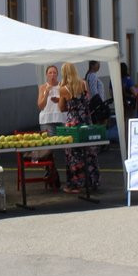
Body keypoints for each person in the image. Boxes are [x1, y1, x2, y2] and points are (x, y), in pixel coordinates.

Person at [58, 62, 100, 194]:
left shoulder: (63, 88)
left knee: (73, 155)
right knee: (89, 152)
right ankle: (92, 181)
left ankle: (75, 184)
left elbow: (62, 107)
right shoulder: (83, 83)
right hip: (86, 120)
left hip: (73, 123)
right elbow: (88, 100)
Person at [37, 64, 66, 135]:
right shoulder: (43, 87)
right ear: (46, 75)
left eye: (54, 72)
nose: (52, 75)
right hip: (47, 120)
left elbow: (67, 102)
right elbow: (41, 106)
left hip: (60, 118)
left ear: (57, 74)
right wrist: (46, 93)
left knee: (63, 141)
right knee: (50, 141)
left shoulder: (62, 86)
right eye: (50, 73)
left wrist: (58, 99)